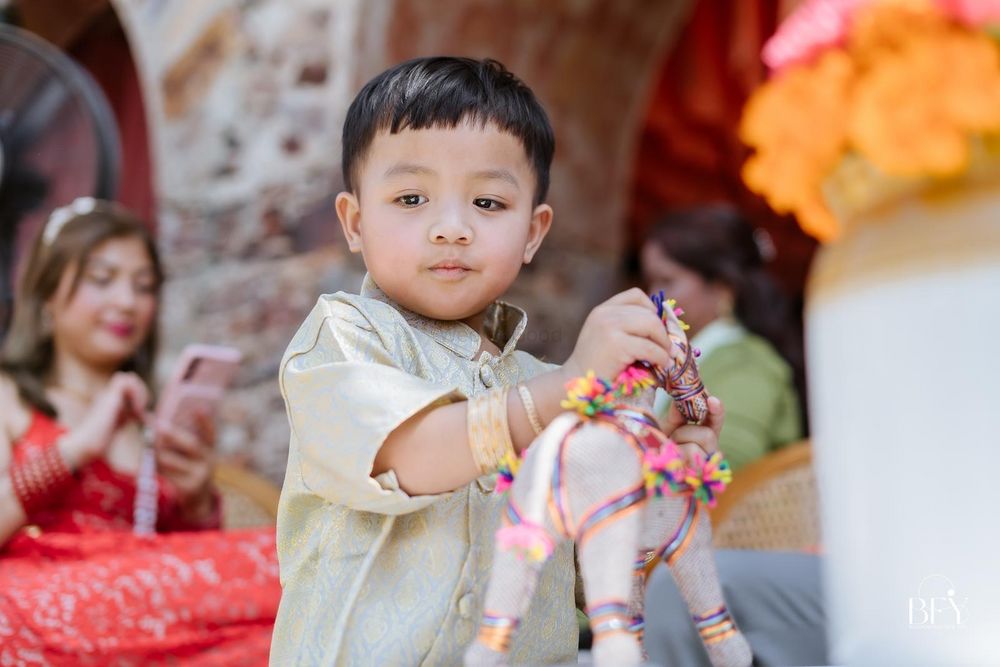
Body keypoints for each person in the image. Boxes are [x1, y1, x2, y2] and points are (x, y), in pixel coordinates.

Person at [270, 56, 725, 665]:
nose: (452, 228)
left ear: (533, 233)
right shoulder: (344, 336)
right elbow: (409, 453)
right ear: (354, 222)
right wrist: (568, 388)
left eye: (488, 203)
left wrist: (664, 479)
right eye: (411, 197)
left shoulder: (548, 389)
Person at [0, 197, 280, 665]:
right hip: (39, 602)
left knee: (297, 563)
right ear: (47, 297)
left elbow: (178, 566)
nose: (127, 302)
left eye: (144, 286)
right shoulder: (9, 395)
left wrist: (194, 499)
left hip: (141, 615)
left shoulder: (149, 421)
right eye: (102, 279)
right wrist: (76, 448)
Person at [641, 204, 805, 471]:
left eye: (666, 280)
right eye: (651, 281)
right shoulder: (684, 355)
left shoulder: (749, 362)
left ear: (722, 289)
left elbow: (728, 469)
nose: (653, 296)